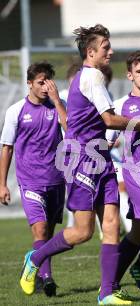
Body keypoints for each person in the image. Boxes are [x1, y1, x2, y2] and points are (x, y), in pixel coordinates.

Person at [19, 24, 140, 305]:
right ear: (91, 52)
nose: (110, 52)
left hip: (99, 159)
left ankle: (106, 293)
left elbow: (97, 121)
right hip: (83, 160)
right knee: (83, 231)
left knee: (111, 225)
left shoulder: (89, 77)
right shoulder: (92, 76)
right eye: (105, 48)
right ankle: (35, 258)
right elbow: (109, 119)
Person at [0, 62, 67, 297]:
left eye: (49, 81)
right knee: (39, 231)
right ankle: (47, 279)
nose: (46, 87)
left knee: (47, 234)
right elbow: (6, 148)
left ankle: (34, 265)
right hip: (30, 182)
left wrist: (58, 102)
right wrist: (2, 184)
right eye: (41, 82)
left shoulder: (58, 106)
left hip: (57, 180)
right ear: (29, 83)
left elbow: (71, 130)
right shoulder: (16, 111)